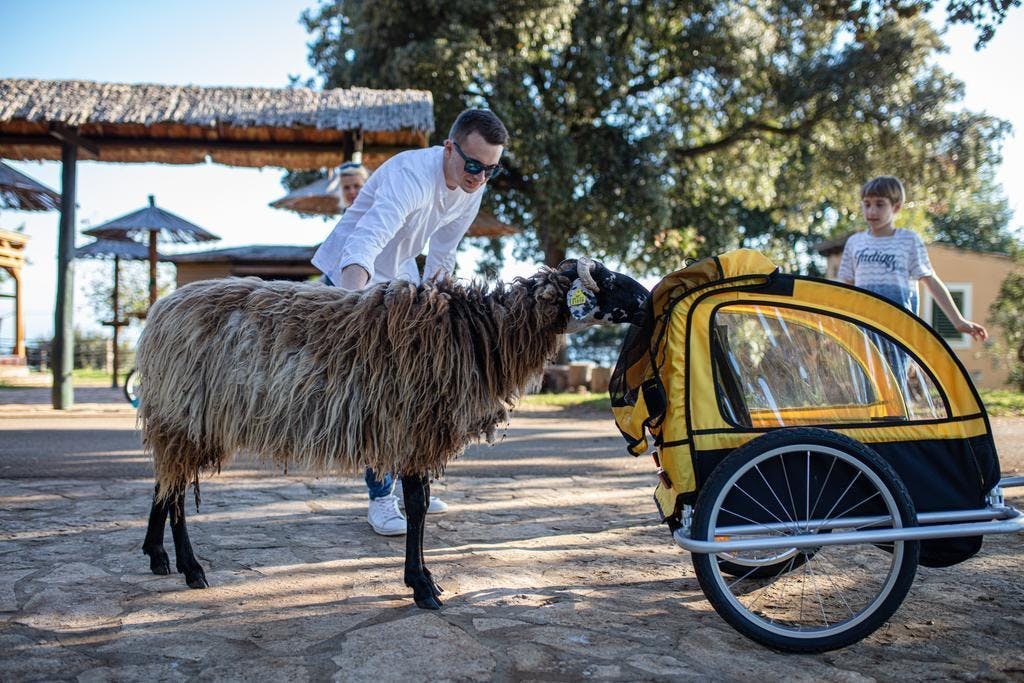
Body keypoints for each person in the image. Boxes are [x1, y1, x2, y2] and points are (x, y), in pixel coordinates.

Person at [312, 108, 509, 536]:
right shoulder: (410, 177)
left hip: (401, 272)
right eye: (472, 165)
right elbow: (367, 241)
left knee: (416, 381)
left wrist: (444, 313)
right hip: (352, 272)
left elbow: (443, 253)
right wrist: (352, 308)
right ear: (449, 148)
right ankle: (380, 498)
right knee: (378, 385)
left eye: (490, 170)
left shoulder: (473, 189)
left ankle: (411, 481)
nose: (478, 177)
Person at [838, 175, 988, 341]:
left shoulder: (908, 240)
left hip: (898, 330)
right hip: (863, 329)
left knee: (893, 368)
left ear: (896, 207)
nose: (872, 211)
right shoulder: (854, 242)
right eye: (867, 205)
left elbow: (930, 280)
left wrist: (958, 321)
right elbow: (846, 288)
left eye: (880, 204)